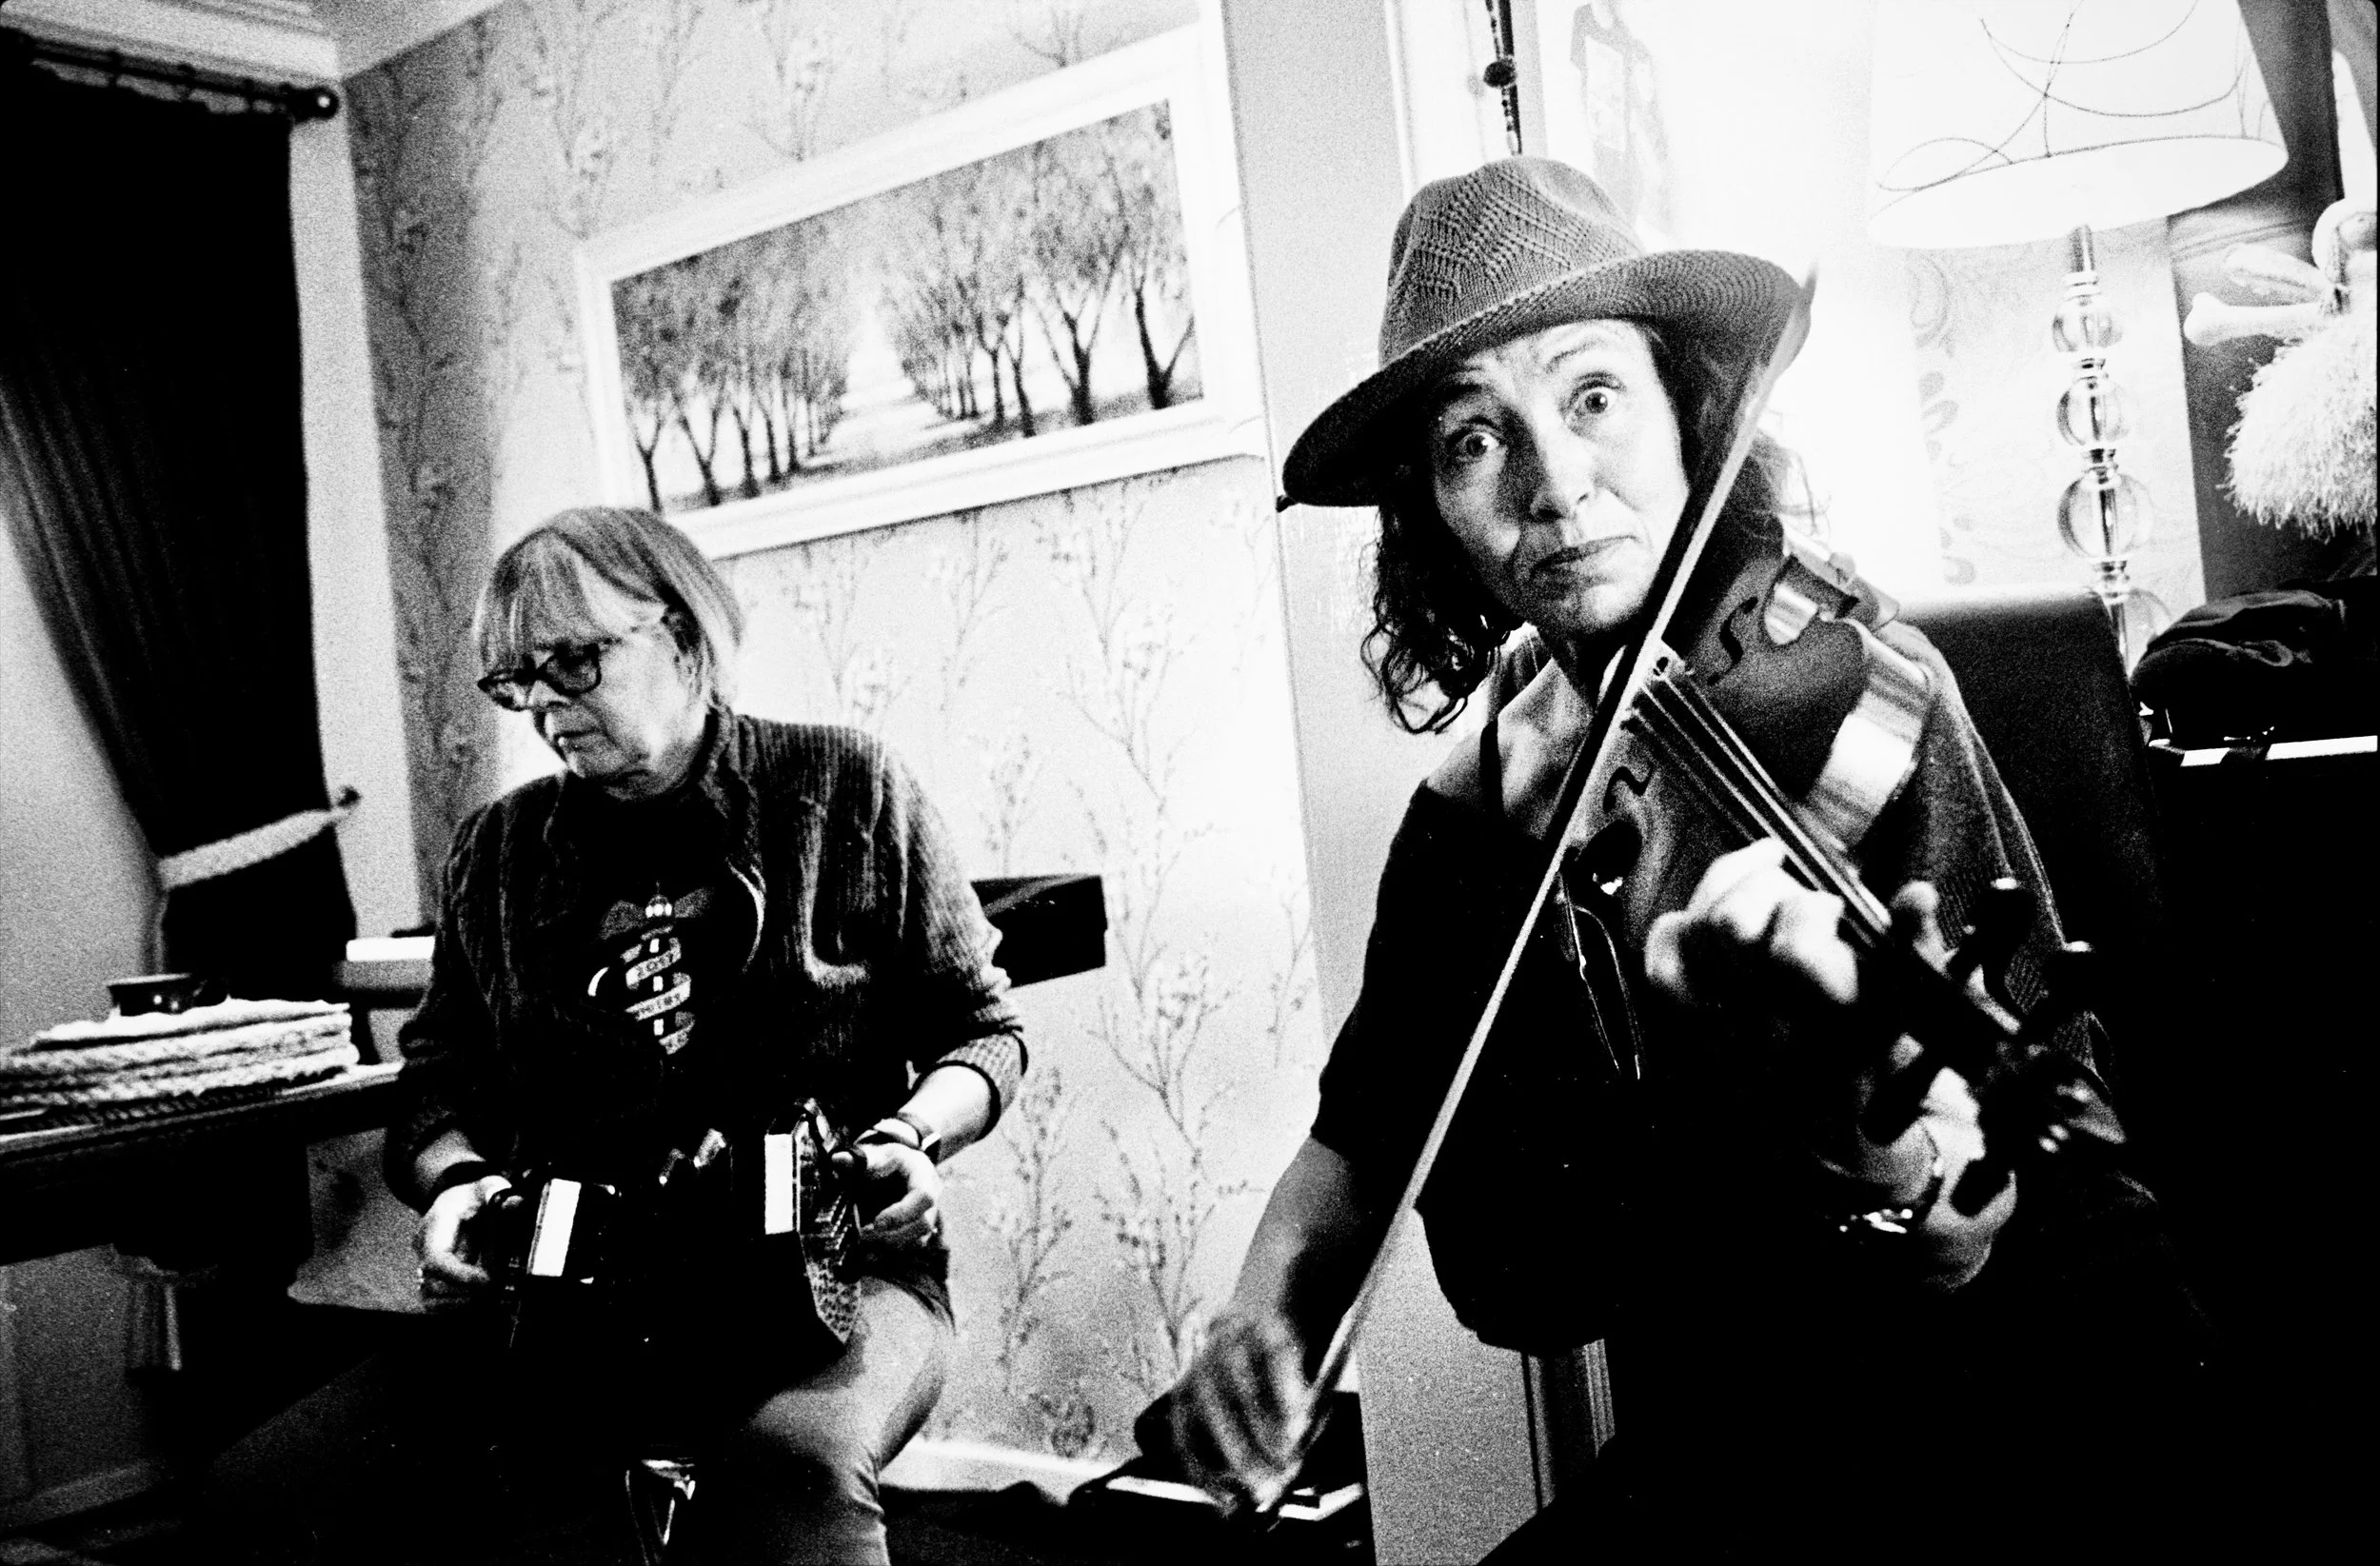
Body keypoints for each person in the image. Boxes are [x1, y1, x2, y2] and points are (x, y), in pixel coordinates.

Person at [1159, 159, 2218, 1554]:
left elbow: (1998, 1214)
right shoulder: (1478, 809)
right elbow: (1359, 1142)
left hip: (2036, 1390)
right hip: (1753, 1436)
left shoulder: (1863, 692)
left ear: (1686, 409)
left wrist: (1869, 1131)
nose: (1553, 488)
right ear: (1426, 502)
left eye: (1593, 397)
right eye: (1476, 438)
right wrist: (1266, 1310)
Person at [207, 506, 1024, 1565]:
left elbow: (982, 1027)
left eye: (575, 663)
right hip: (566, 1301)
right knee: (262, 1493)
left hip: (827, 1280)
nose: (545, 703)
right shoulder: (496, 852)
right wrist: (457, 1186)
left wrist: (912, 1136)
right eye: (519, 680)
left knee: (787, 1466)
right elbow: (438, 1087)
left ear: (682, 634)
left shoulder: (844, 787)